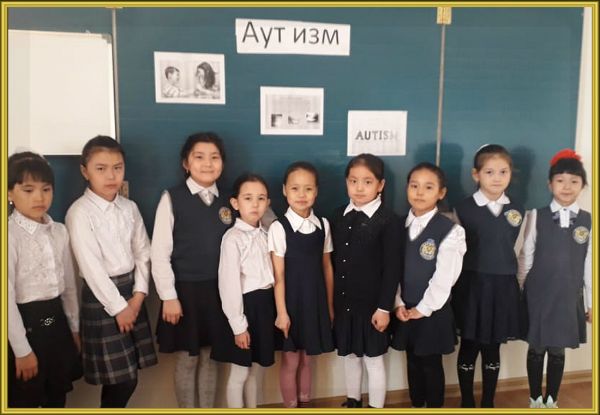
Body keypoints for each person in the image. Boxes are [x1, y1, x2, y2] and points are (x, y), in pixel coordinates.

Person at [65, 136, 157, 407]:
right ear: (85, 171)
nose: (111, 175)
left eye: (117, 168)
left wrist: (138, 297)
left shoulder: (129, 208)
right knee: (121, 379)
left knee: (128, 375)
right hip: (103, 298)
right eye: (101, 168)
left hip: (132, 292)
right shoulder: (79, 212)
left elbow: (143, 253)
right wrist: (119, 308)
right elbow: (91, 268)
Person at [151, 132, 233, 408]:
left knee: (211, 357)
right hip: (184, 292)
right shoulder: (172, 198)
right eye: (199, 157)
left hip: (219, 292)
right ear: (186, 163)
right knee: (188, 358)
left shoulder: (230, 199)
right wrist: (168, 296)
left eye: (214, 157)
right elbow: (159, 253)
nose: (207, 163)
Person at [451, 144, 524, 408]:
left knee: (493, 346)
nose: (497, 178)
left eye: (503, 172)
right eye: (489, 172)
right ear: (476, 174)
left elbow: (518, 250)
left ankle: (488, 403)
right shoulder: (462, 208)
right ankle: (467, 402)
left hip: (503, 287)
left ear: (511, 174)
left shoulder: (517, 209)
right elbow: (453, 254)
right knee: (469, 345)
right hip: (472, 286)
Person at [518, 149, 591, 409]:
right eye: (560, 180)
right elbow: (526, 255)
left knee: (558, 349)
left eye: (574, 181)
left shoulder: (588, 220)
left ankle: (552, 399)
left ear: (583, 185)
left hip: (567, 296)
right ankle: (534, 398)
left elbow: (589, 264)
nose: (567, 186)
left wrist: (590, 302)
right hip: (538, 294)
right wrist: (520, 288)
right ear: (550, 184)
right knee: (536, 347)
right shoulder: (535, 215)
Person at [8, 152, 81, 408]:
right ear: (9, 193)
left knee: (56, 394)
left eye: (46, 189)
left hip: (54, 321)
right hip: (24, 324)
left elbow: (69, 287)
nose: (39, 198)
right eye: (28, 190)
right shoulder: (9, 235)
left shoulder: (59, 231)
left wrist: (74, 328)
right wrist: (22, 350)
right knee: (25, 396)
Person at [330, 153, 402, 409]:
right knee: (350, 355)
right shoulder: (338, 215)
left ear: (380, 185)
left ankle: (376, 407)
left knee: (373, 358)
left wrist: (384, 308)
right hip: (345, 302)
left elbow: (392, 269)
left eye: (367, 182)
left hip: (373, 306)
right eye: (353, 181)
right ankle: (353, 400)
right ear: (346, 182)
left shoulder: (389, 220)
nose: (359, 188)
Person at [391, 162, 466, 408]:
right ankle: (417, 404)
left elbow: (446, 277)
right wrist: (398, 303)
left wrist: (423, 308)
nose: (420, 192)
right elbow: (392, 271)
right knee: (412, 361)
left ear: (441, 193)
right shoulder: (397, 226)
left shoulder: (450, 230)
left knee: (430, 364)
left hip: (432, 310)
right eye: (414, 186)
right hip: (404, 308)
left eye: (428, 187)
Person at [268, 161, 335, 408]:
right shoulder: (279, 227)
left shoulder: (323, 225)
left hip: (315, 302)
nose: (302, 194)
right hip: (291, 304)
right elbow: (278, 275)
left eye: (308, 188)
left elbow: (327, 268)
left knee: (308, 359)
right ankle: (291, 407)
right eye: (295, 188)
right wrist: (282, 313)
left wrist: (329, 307)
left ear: (316, 191)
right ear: (284, 190)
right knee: (291, 361)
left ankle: (306, 405)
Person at [216, 173, 277, 408]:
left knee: (256, 370)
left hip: (265, 306)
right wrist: (238, 325)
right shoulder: (233, 238)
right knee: (240, 372)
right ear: (235, 203)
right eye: (248, 198)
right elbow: (228, 284)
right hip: (244, 308)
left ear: (268, 203)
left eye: (261, 198)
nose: (255, 204)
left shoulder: (268, 232)